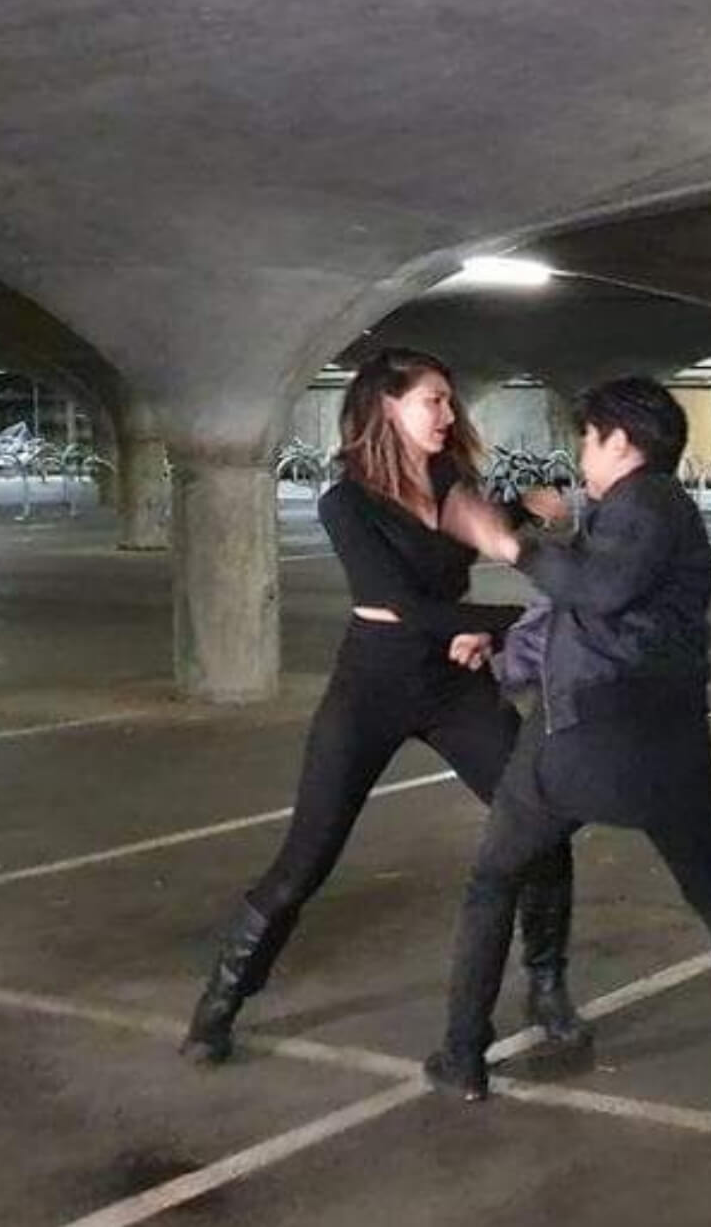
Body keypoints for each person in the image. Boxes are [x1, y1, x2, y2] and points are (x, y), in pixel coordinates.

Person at [426, 375, 711, 1121]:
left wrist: (509, 540)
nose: (582, 453)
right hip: (657, 749)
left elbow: (599, 590)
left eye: (588, 438)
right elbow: (576, 611)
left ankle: (462, 1054)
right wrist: (502, 646)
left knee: (493, 883)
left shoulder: (649, 504)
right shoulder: (627, 514)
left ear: (619, 438)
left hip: (584, 743)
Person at [180, 348, 589, 1064]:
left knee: (541, 822)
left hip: (454, 686)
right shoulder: (347, 502)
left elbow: (482, 535)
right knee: (304, 862)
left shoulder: (449, 480)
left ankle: (547, 984)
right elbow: (401, 604)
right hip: (370, 690)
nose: (448, 413)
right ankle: (221, 1000)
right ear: (386, 406)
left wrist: (536, 527)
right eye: (433, 400)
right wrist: (519, 626)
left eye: (449, 400)